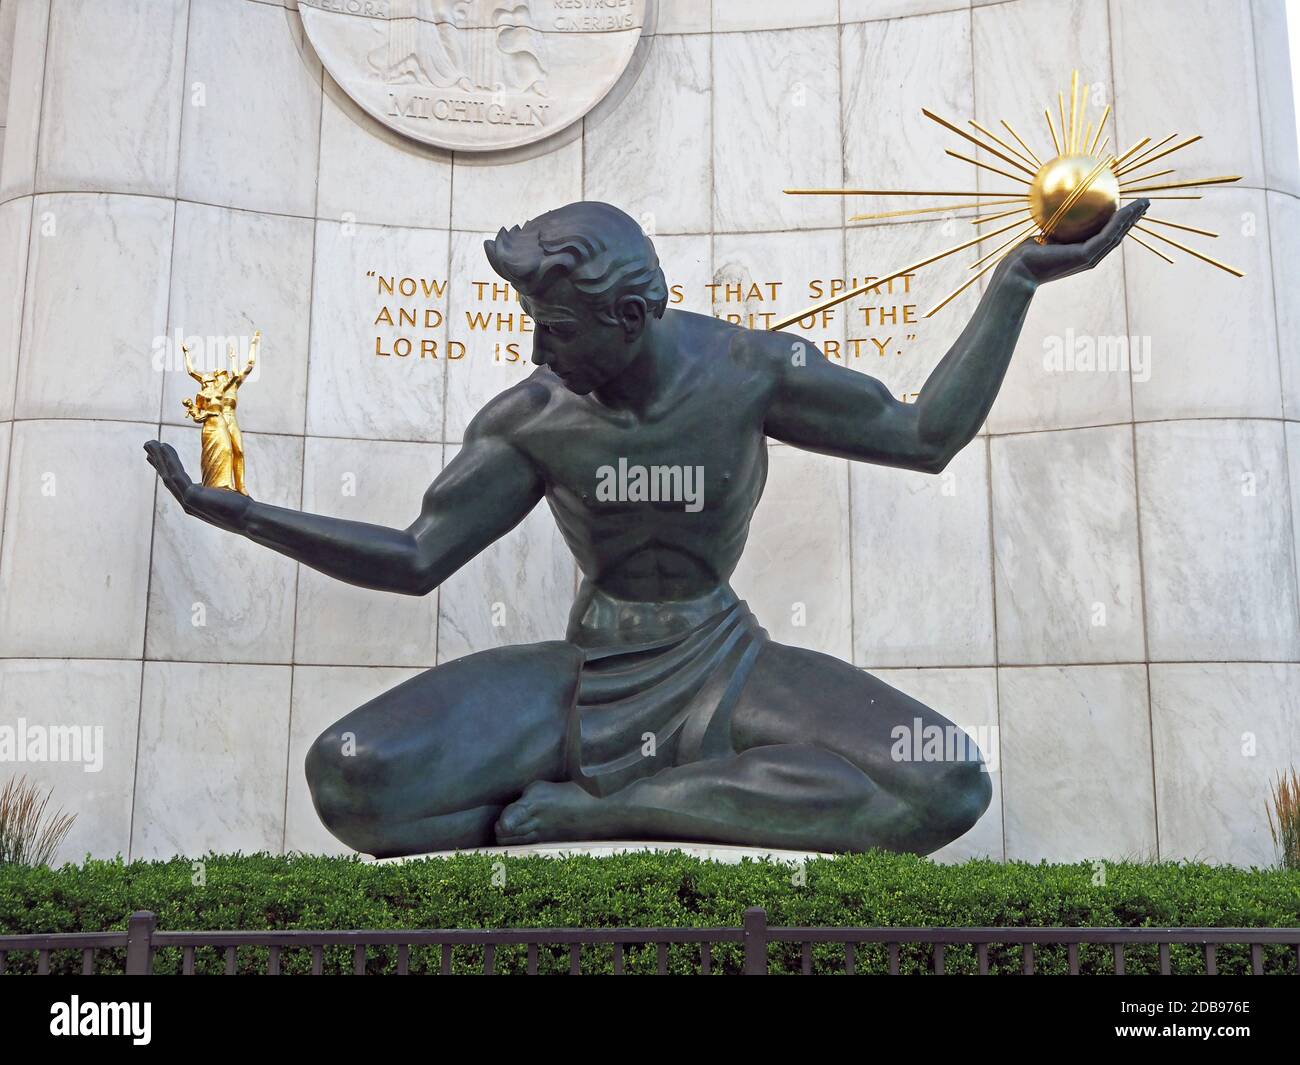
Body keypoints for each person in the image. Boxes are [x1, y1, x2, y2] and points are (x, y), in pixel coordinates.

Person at [145, 198, 1148, 857]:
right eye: (532, 324)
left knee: (944, 781)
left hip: (726, 664)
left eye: (559, 327)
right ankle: (670, 788)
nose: (539, 348)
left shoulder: (752, 373)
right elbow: (417, 559)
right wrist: (245, 517)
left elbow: (925, 435)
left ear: (632, 315)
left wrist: (1015, 283)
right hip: (587, 675)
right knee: (352, 776)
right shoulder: (532, 418)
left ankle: (613, 804)